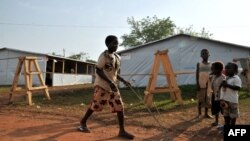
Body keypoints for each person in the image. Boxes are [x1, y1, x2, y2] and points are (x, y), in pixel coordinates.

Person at [77, 35, 134, 139]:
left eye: (117, 43)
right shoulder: (103, 56)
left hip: (113, 87)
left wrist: (123, 81)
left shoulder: (117, 57)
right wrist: (110, 82)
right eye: (113, 43)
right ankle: (83, 122)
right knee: (95, 105)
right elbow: (98, 70)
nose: (116, 45)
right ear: (108, 44)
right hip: (102, 86)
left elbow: (115, 73)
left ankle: (122, 131)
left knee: (120, 107)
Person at [196, 49, 213, 118]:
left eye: (206, 53)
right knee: (200, 99)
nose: (204, 55)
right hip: (201, 84)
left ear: (209, 54)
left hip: (209, 85)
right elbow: (197, 74)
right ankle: (199, 114)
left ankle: (206, 113)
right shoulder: (199, 64)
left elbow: (212, 73)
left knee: (207, 99)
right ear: (201, 56)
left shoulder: (211, 64)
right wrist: (197, 84)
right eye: (203, 54)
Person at [210, 61, 226, 126]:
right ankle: (216, 121)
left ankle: (226, 122)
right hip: (215, 95)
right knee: (215, 108)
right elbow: (212, 86)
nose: (211, 70)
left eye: (212, 68)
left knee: (223, 110)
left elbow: (224, 88)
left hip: (221, 97)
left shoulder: (223, 78)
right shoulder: (214, 76)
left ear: (219, 70)